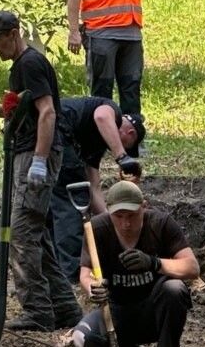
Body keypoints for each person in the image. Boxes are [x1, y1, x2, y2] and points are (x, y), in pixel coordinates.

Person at [0, 10, 80, 332]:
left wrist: (39, 159)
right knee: (36, 234)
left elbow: (47, 112)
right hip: (27, 152)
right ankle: (64, 308)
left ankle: (36, 311)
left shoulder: (31, 64)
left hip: (36, 155)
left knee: (21, 234)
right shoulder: (21, 67)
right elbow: (25, 107)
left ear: (13, 34)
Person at [71, 180, 200, 347]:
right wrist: (92, 287)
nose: (125, 224)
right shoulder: (97, 229)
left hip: (154, 311)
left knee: (175, 290)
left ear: (144, 206)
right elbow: (85, 274)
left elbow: (192, 268)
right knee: (80, 340)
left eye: (131, 215)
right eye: (118, 217)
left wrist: (154, 263)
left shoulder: (160, 224)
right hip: (116, 313)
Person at [50, 96, 146, 282]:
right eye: (126, 145)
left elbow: (92, 188)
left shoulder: (94, 147)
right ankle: (72, 276)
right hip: (56, 131)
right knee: (70, 204)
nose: (112, 149)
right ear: (130, 133)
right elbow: (101, 117)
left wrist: (111, 218)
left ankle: (54, 272)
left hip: (51, 140)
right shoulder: (111, 110)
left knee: (55, 204)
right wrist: (122, 156)